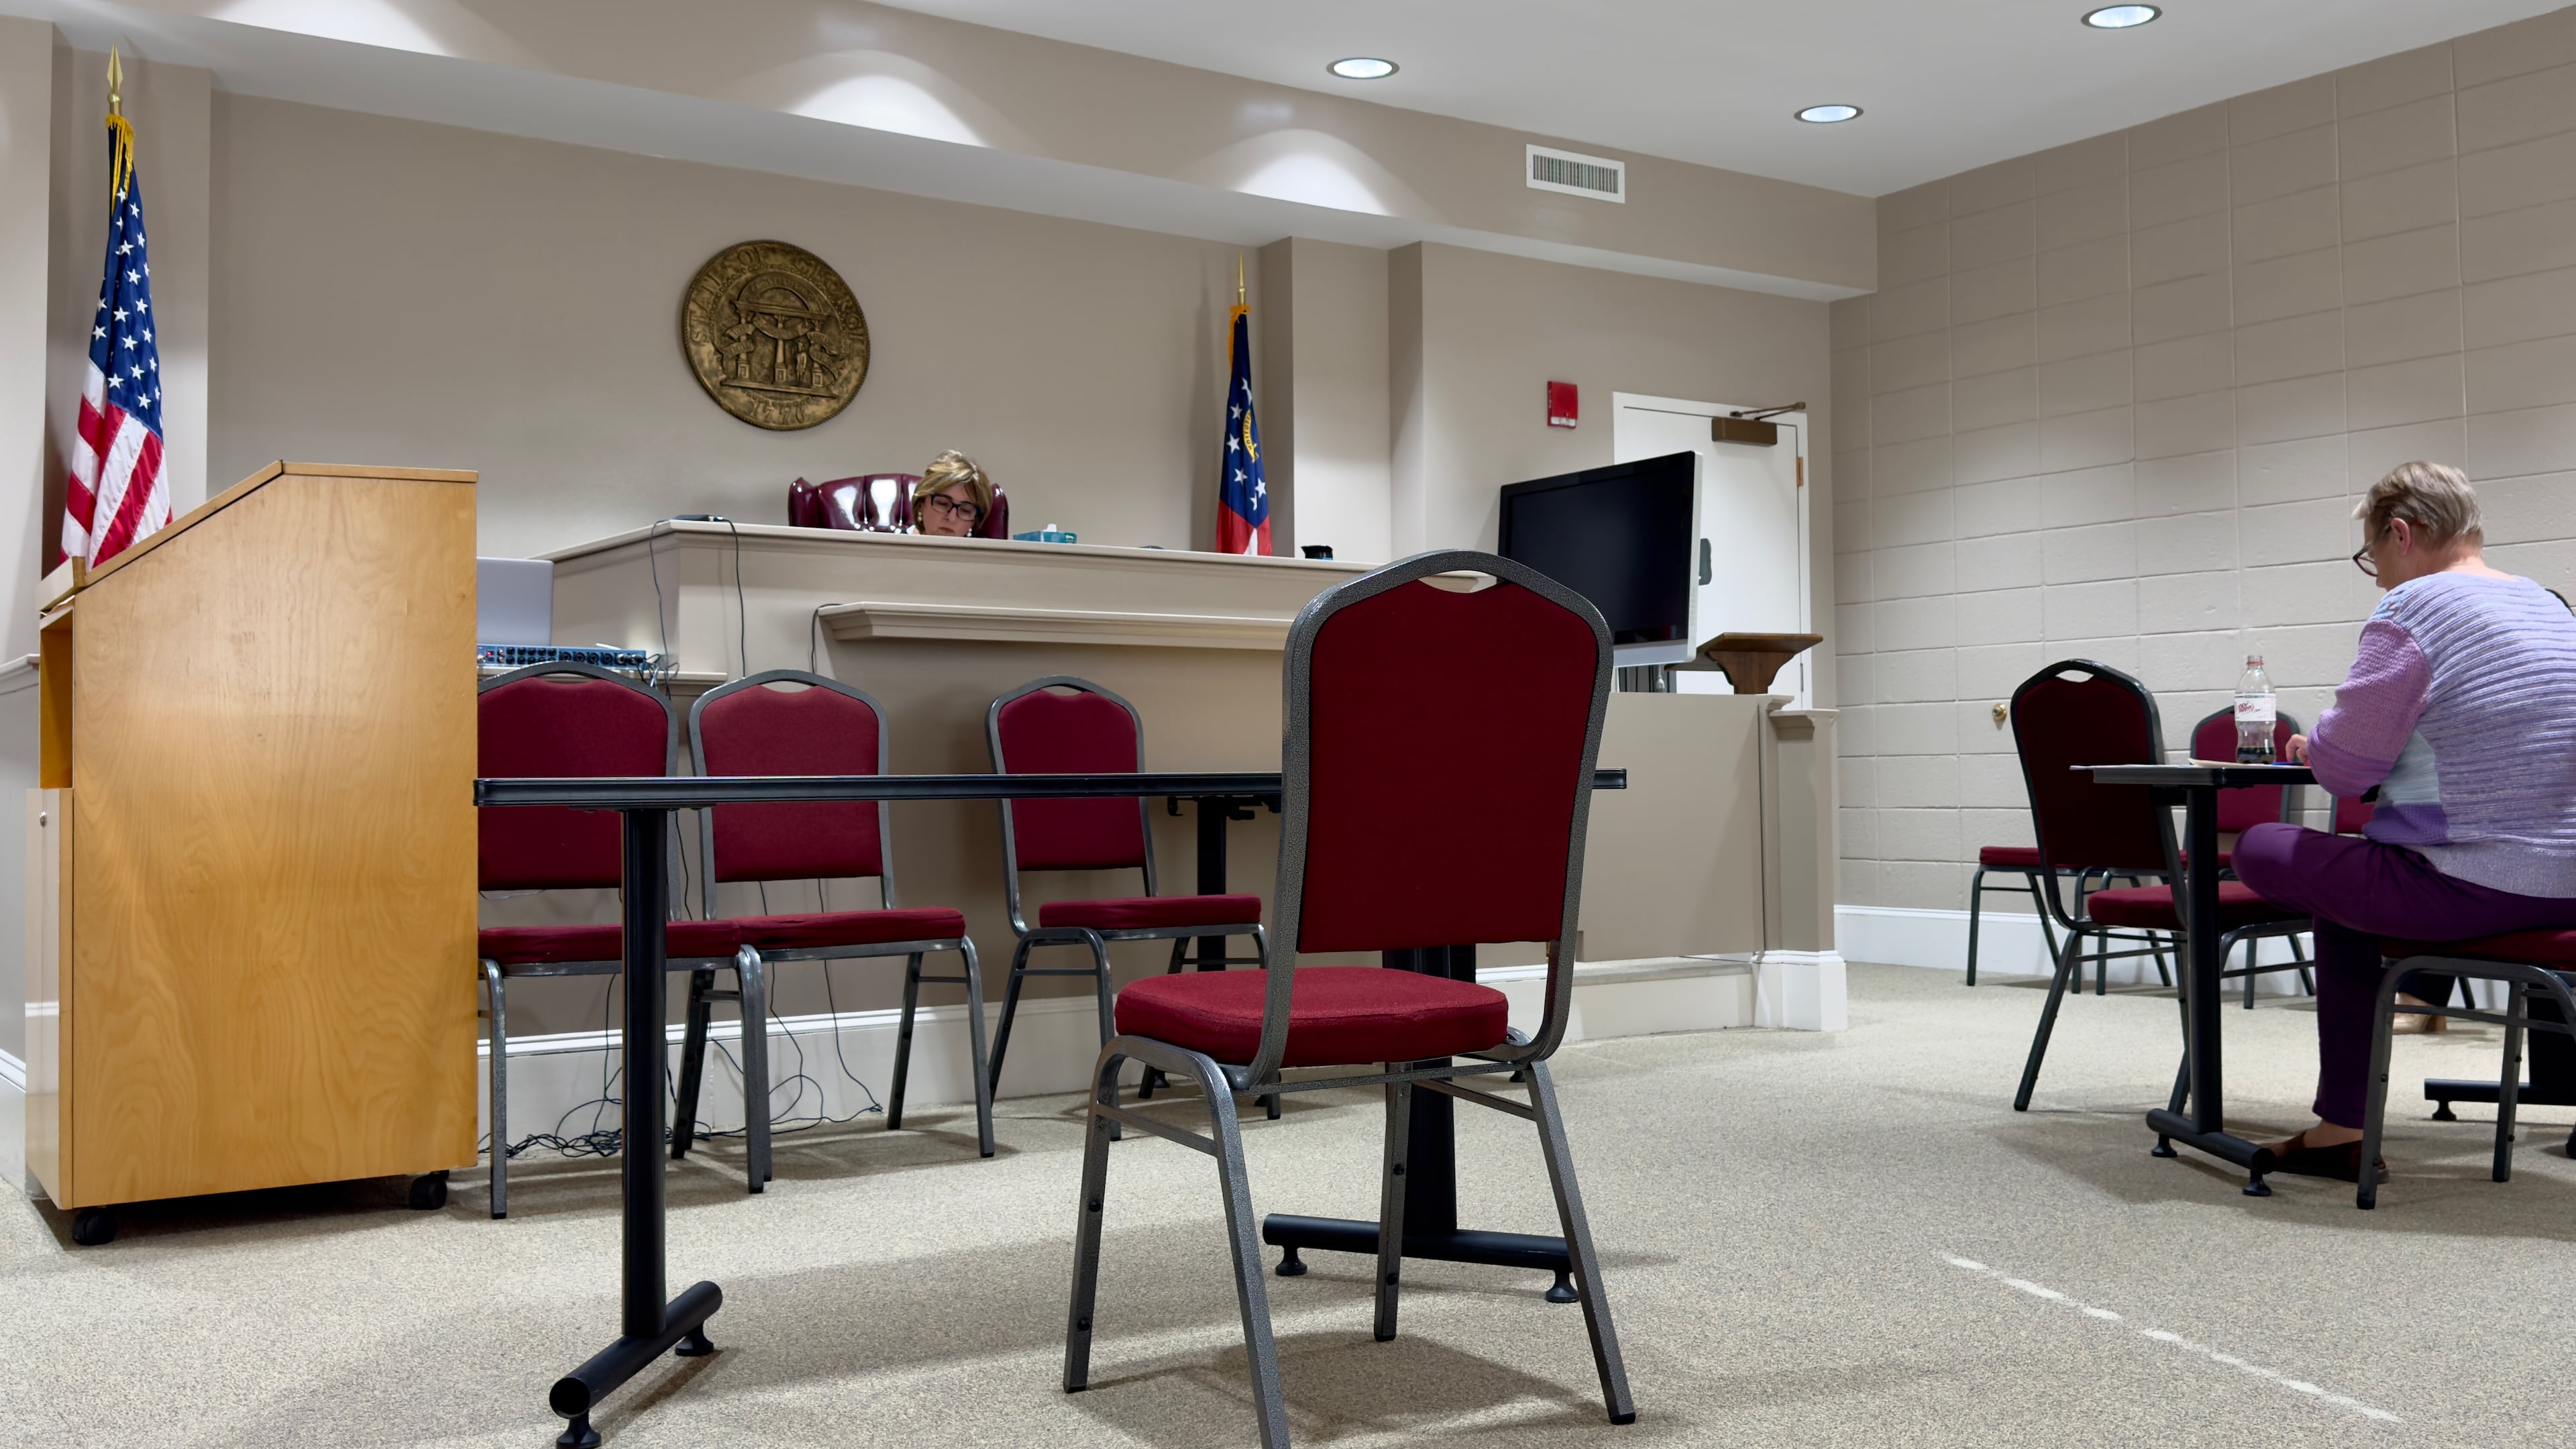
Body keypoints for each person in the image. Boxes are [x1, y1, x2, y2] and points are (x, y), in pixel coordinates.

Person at [2233, 462, 2576, 1181]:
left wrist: (2320, 743)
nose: (2380, 577)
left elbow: (2346, 772)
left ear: (2401, 532)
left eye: (2374, 559)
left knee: (2265, 846)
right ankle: (2339, 1131)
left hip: (2471, 886)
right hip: (2567, 885)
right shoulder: (2551, 606)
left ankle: (2347, 1129)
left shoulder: (2413, 608)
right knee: (2350, 899)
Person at [910, 451, 992, 538]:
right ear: (921, 505)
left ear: (974, 522)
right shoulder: (896, 547)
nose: (952, 518)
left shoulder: (989, 552)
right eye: (943, 503)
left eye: (965, 510)